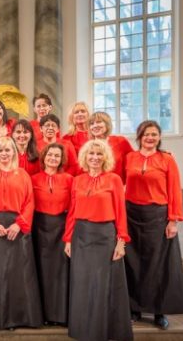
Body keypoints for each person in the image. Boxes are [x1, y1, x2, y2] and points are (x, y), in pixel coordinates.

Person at [63, 139, 133, 341]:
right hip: (81, 236)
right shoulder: (78, 180)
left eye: (99, 154)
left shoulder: (114, 180)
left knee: (102, 284)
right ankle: (82, 329)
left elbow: (121, 212)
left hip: (104, 236)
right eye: (91, 154)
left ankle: (103, 330)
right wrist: (68, 239)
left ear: (105, 157)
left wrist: (121, 241)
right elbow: (73, 212)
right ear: (85, 157)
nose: (94, 157)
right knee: (82, 283)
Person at [124, 120, 183, 329]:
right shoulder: (129, 158)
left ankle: (158, 312)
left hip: (157, 215)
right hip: (131, 214)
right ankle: (134, 307)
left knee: (158, 265)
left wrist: (173, 220)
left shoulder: (167, 159)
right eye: (146, 134)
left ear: (159, 137)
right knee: (132, 263)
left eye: (154, 134)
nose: (150, 138)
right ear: (139, 137)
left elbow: (174, 191)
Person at [0, 137, 43, 330]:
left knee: (20, 272)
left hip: (18, 228)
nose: (4, 154)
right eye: (0, 151)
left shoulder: (22, 174)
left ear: (14, 152)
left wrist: (19, 224)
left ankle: (20, 317)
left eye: (8, 150)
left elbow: (30, 202)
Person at [31, 143, 73, 326]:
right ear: (44, 157)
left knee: (60, 273)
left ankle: (60, 315)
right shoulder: (33, 179)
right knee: (40, 271)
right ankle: (43, 314)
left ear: (61, 159)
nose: (53, 158)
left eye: (57, 156)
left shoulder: (70, 179)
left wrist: (69, 236)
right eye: (50, 155)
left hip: (61, 229)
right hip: (38, 229)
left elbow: (73, 209)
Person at [88, 111, 134, 183]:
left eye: (99, 122)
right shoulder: (88, 146)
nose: (95, 125)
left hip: (119, 186)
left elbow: (132, 165)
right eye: (92, 123)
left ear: (107, 124)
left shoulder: (121, 141)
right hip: (96, 187)